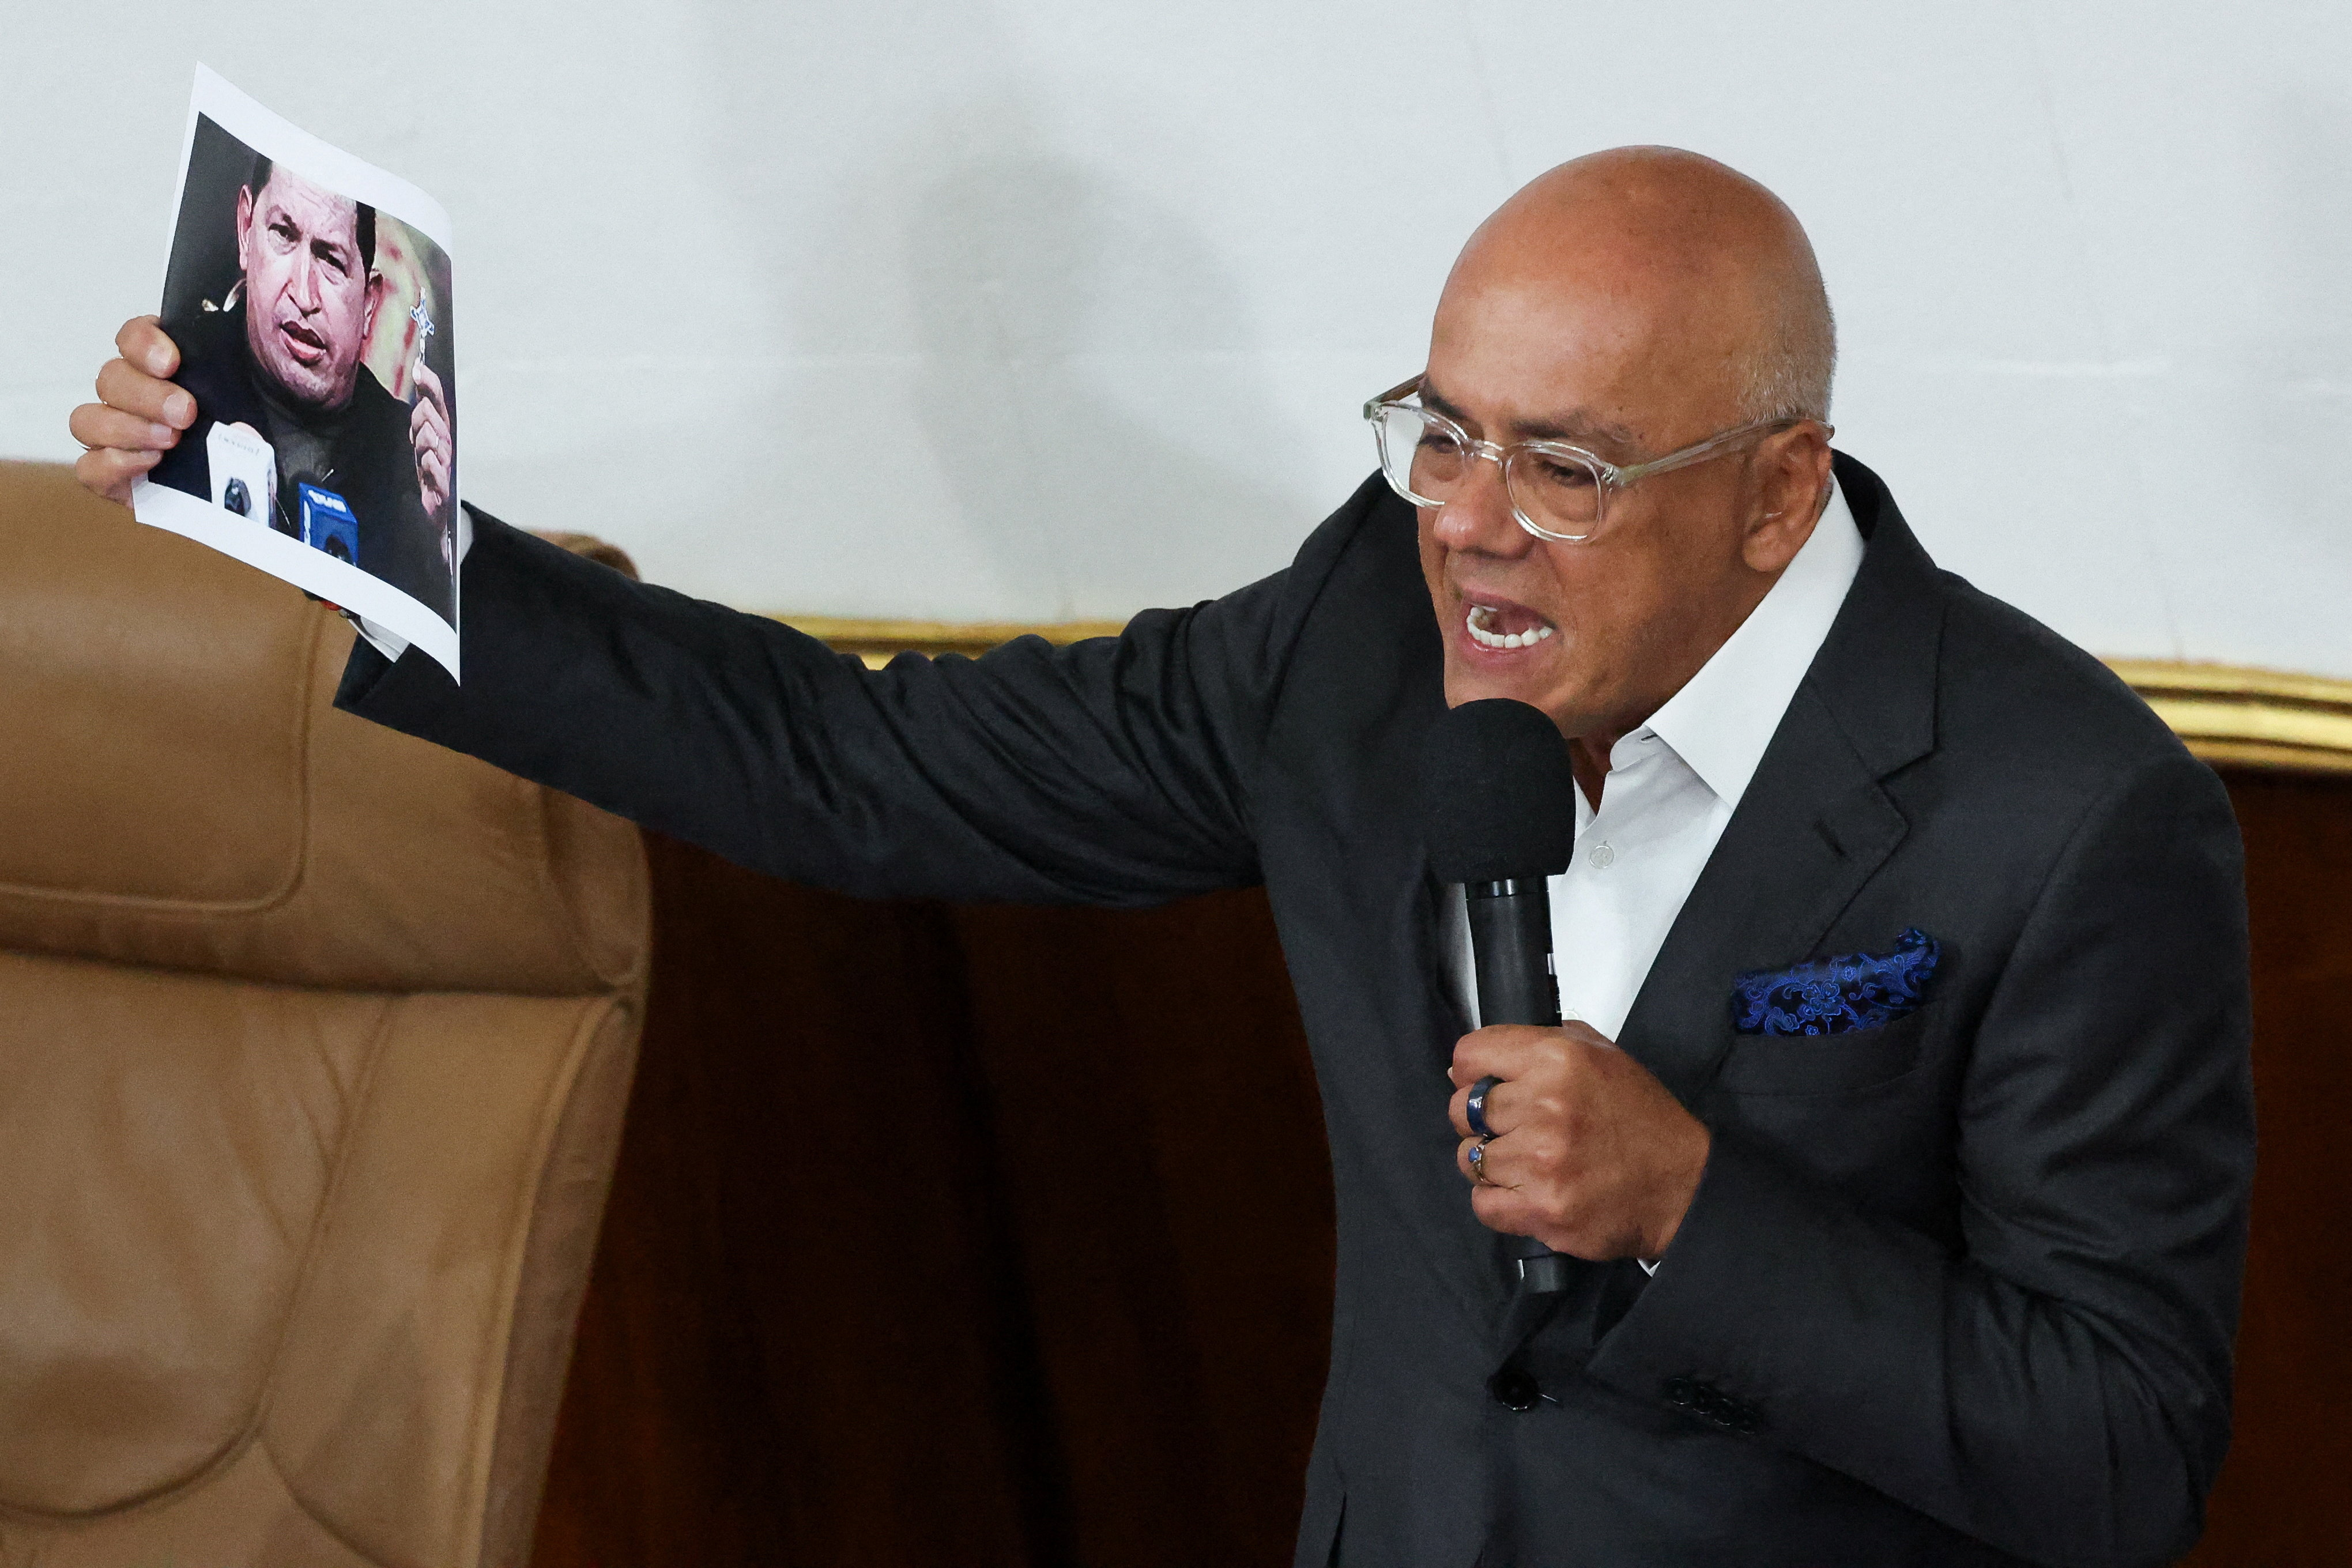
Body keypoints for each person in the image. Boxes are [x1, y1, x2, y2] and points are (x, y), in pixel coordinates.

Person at [70, 146, 2253, 1567]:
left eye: (1564, 468)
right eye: (1439, 431)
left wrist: (1692, 1210)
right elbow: (853, 762)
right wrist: (328, 497)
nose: (1471, 521)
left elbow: (2112, 1450)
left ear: (1775, 494)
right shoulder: (1358, 634)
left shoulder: (2063, 815)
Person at [145, 153, 455, 621]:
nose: (304, 295)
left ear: (370, 303)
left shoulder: (408, 455)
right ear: (247, 229)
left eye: (331, 260)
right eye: (284, 236)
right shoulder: (173, 388)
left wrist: (434, 546)